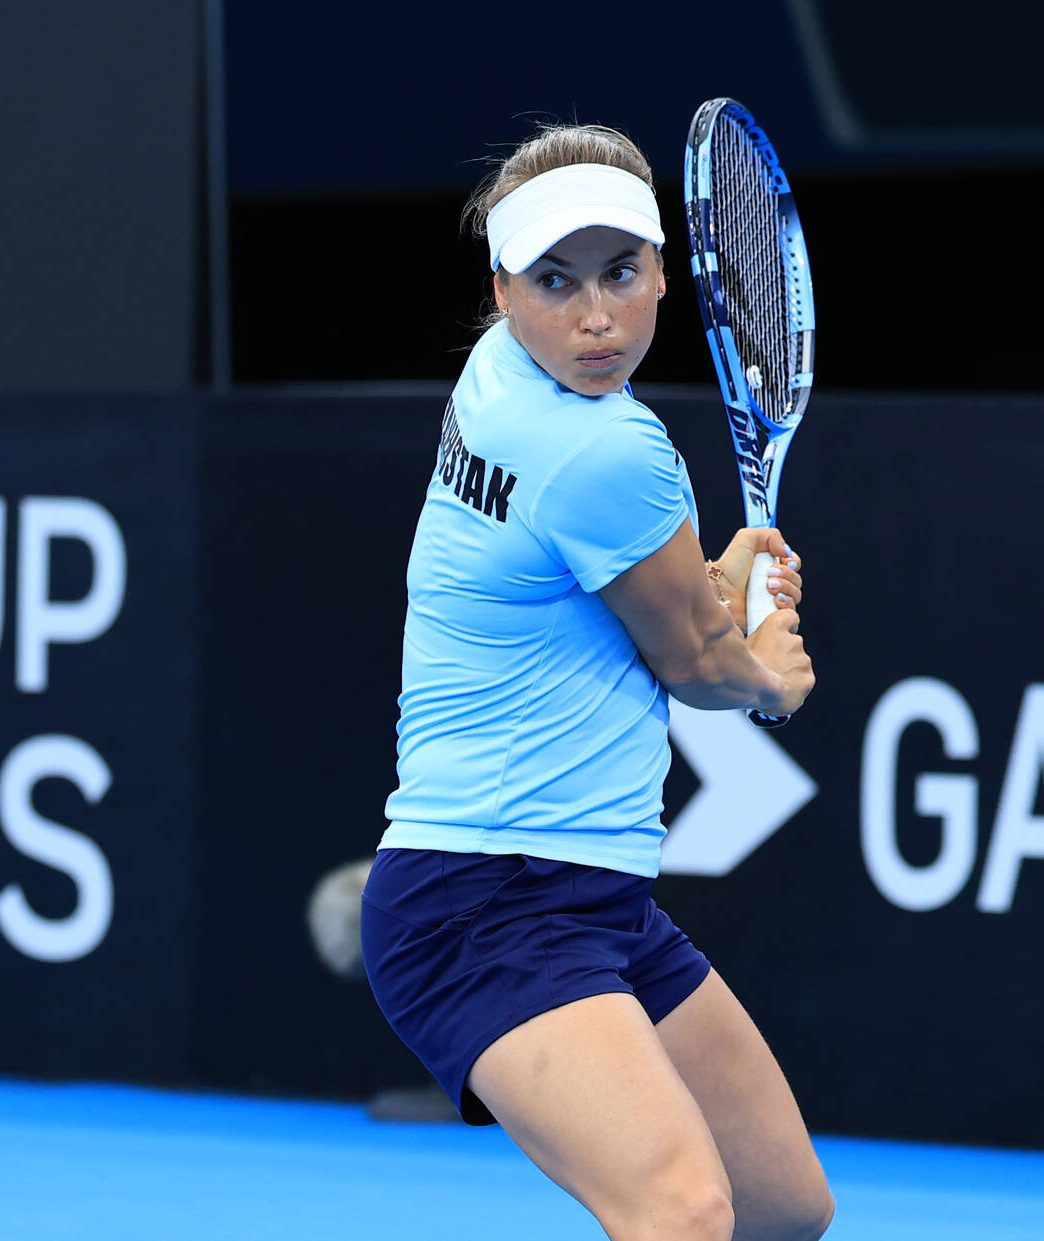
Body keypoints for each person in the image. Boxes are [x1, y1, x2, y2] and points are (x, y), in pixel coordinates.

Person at [360, 123, 833, 1241]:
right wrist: (768, 674)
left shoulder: (494, 371)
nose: (595, 318)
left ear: (668, 272)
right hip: (482, 896)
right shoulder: (603, 451)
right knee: (679, 1208)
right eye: (554, 282)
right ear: (503, 286)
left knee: (782, 1209)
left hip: (596, 898)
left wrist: (709, 588)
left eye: (621, 273)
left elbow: (617, 601)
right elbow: (701, 665)